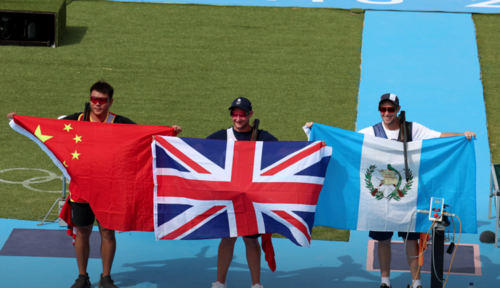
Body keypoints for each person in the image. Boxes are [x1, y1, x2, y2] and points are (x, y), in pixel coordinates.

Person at [7, 80, 182, 288]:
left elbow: (145, 137)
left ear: (110, 102)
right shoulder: (76, 120)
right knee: (83, 231)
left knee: (108, 232)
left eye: (102, 100)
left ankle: (106, 277)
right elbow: (49, 127)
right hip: (81, 188)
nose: (97, 104)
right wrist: (19, 119)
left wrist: (169, 132)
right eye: (93, 99)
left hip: (110, 189)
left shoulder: (120, 123)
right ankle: (82, 276)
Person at [305, 93, 475, 288]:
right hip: (378, 199)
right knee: (383, 240)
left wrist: (462, 135)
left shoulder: (412, 128)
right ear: (379, 110)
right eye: (383, 109)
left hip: (408, 197)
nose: (387, 113)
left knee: (411, 241)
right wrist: (317, 131)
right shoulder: (370, 132)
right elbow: (346, 142)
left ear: (398, 109)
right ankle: (385, 282)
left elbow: (438, 136)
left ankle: (416, 283)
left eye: (391, 109)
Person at [207, 97, 277, 288]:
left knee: (251, 242)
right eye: (234, 114)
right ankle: (220, 282)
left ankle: (256, 284)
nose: (238, 118)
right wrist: (172, 137)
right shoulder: (221, 136)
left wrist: (313, 142)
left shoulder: (262, 137)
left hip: (252, 200)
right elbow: (195, 150)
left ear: (250, 115)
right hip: (228, 198)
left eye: (242, 114)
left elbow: (285, 153)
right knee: (227, 239)